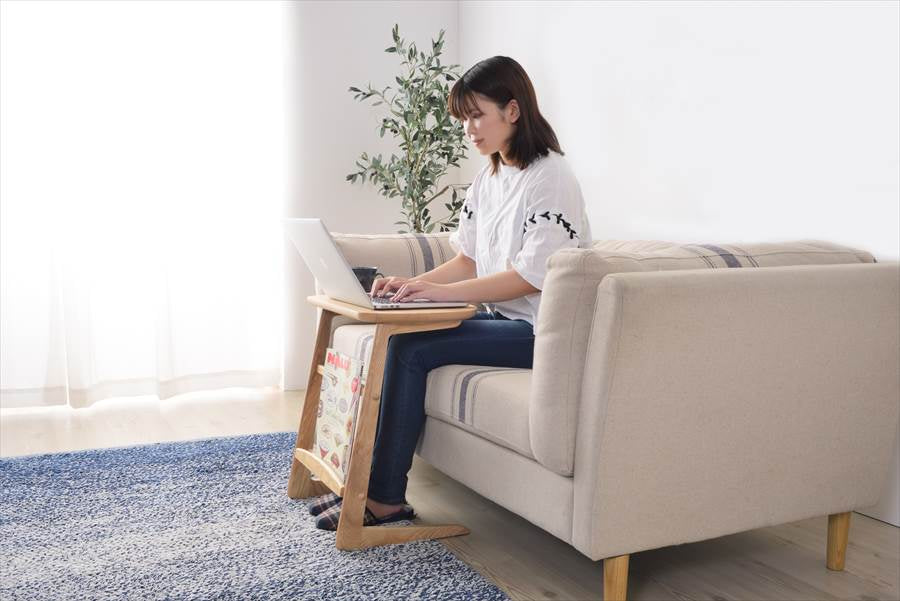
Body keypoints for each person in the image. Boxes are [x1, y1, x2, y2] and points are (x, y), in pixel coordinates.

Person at [311, 55, 593, 530]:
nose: (468, 129)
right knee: (398, 338)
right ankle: (358, 483)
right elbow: (469, 258)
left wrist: (438, 292)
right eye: (464, 118)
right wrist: (416, 285)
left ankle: (384, 499)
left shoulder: (551, 178)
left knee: (408, 351)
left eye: (477, 115)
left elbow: (530, 278)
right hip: (505, 321)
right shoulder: (490, 177)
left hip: (543, 332)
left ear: (513, 110)